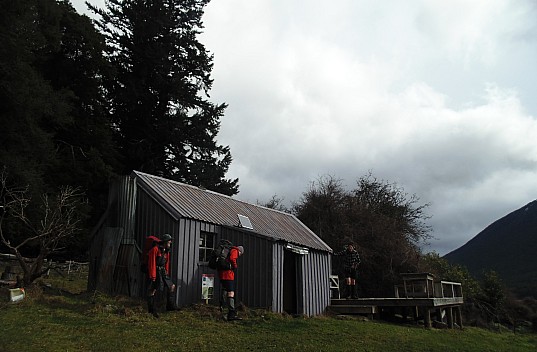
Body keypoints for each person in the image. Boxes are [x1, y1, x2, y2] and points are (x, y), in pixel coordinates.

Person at [146, 233, 179, 317]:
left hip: (163, 272)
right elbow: (152, 263)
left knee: (172, 286)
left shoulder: (167, 251)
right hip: (155, 271)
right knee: (152, 290)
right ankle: (152, 310)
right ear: (165, 242)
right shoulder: (155, 249)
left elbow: (166, 263)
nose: (170, 242)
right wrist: (153, 276)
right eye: (169, 241)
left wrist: (166, 272)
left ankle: (170, 306)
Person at [218, 244, 244, 321]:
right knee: (231, 292)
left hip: (222, 274)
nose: (239, 255)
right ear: (240, 251)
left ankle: (221, 307)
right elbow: (232, 258)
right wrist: (235, 266)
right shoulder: (235, 250)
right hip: (228, 275)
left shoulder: (228, 251)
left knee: (225, 290)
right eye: (240, 254)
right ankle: (231, 313)